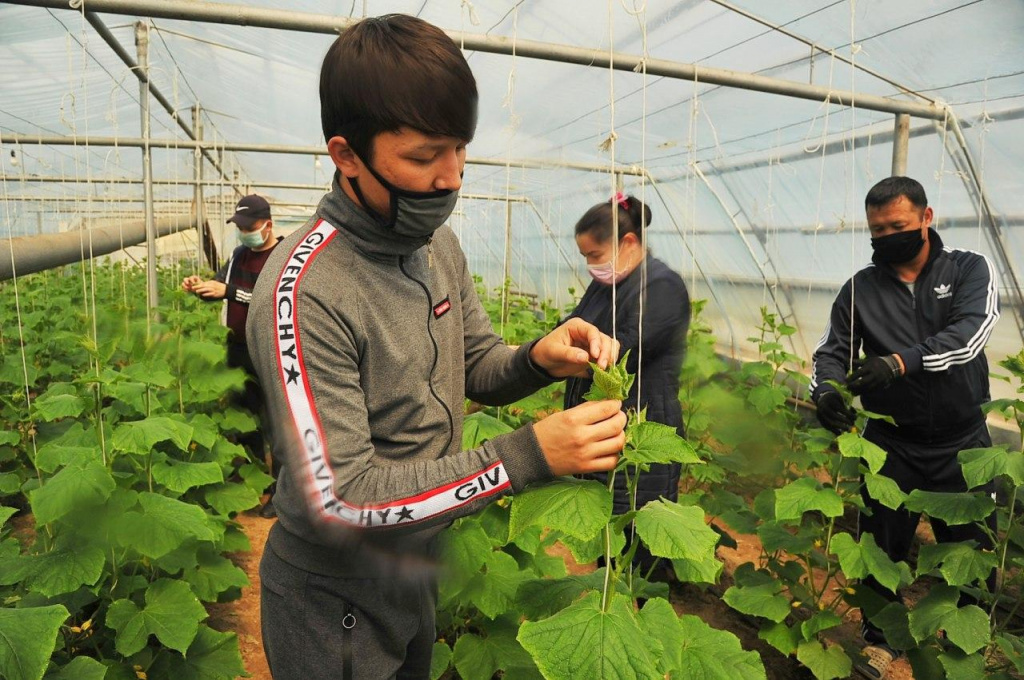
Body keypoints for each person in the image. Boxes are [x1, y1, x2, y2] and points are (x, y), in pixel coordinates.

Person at [244, 15, 626, 680]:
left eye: (459, 150)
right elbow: (341, 498)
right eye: (423, 158)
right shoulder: (304, 291)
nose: (451, 178)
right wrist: (527, 455)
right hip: (334, 599)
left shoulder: (434, 244)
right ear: (347, 156)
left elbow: (474, 362)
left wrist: (537, 357)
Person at [810, 176, 1000, 679]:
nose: (887, 236)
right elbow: (831, 352)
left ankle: (965, 647)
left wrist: (898, 363)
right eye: (877, 230)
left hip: (962, 443)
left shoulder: (967, 269)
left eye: (897, 225)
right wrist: (826, 392)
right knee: (878, 549)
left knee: (969, 550)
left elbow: (970, 335)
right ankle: (881, 642)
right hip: (892, 442)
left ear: (925, 218)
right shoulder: (861, 288)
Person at [563, 192, 690, 573]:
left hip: (640, 432)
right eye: (585, 256)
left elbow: (622, 352)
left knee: (643, 537)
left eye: (595, 255)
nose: (590, 265)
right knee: (609, 535)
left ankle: (647, 604)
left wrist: (571, 353)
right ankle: (613, 601)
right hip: (605, 428)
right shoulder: (608, 284)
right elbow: (569, 327)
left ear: (628, 242)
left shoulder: (662, 287)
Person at [182, 194, 283, 518]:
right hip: (238, 349)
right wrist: (201, 287)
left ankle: (280, 493)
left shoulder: (283, 256)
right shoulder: (240, 254)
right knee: (245, 420)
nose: (243, 233)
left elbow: (274, 299)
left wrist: (229, 292)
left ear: (267, 225)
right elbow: (220, 286)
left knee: (276, 424)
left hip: (271, 350)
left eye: (248, 227)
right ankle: (255, 483)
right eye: (240, 227)